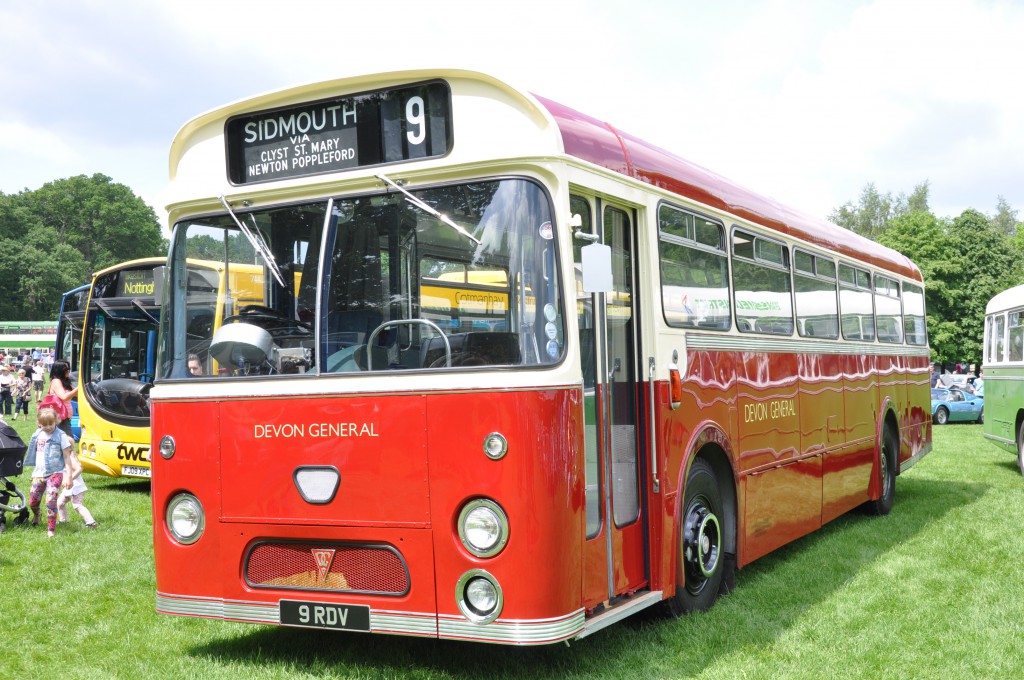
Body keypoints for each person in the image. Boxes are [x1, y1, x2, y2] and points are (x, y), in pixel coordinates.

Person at [27, 406, 80, 537]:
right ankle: (37, 514)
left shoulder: (61, 436)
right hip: (39, 474)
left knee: (51, 501)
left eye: (51, 424)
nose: (48, 427)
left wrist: (69, 477)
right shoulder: (37, 435)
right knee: (33, 502)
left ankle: (51, 530)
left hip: (55, 473)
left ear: (56, 421)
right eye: (44, 425)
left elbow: (67, 457)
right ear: (39, 424)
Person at [47, 360, 78, 439]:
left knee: (63, 442)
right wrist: (79, 388)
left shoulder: (64, 383)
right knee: (68, 442)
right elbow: (64, 397)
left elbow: (77, 395)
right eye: (66, 369)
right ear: (59, 371)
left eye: (69, 369)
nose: (68, 371)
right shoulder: (56, 381)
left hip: (65, 417)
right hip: (60, 417)